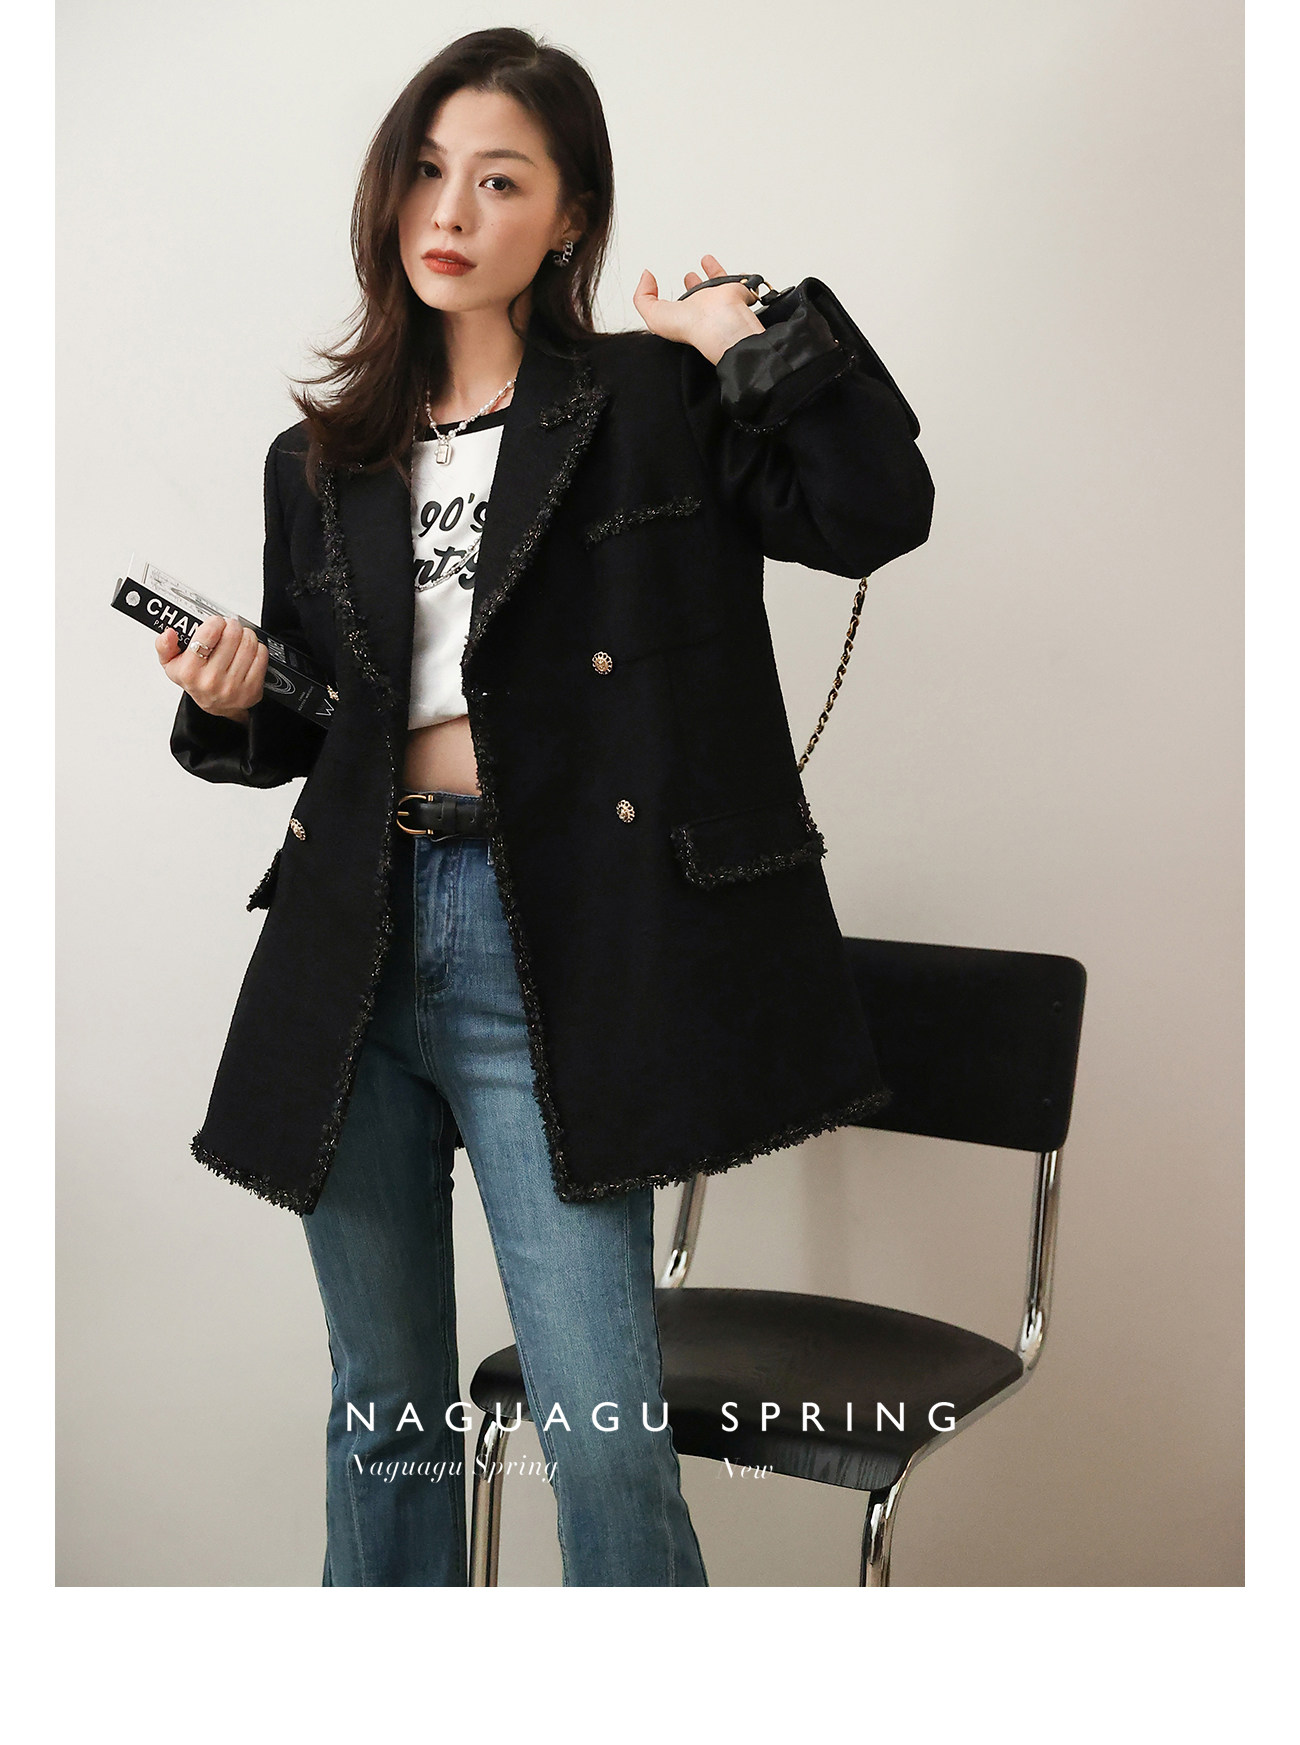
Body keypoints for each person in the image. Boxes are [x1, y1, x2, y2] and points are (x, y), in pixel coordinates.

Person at [156, 27, 934, 1587]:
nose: (451, 210)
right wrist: (234, 692)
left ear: (570, 215)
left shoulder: (650, 397)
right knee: (383, 1411)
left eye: (500, 180)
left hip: (560, 939)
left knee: (603, 1433)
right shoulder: (320, 461)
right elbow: (325, 714)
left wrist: (747, 342)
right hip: (354, 942)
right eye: (426, 171)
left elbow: (874, 512)